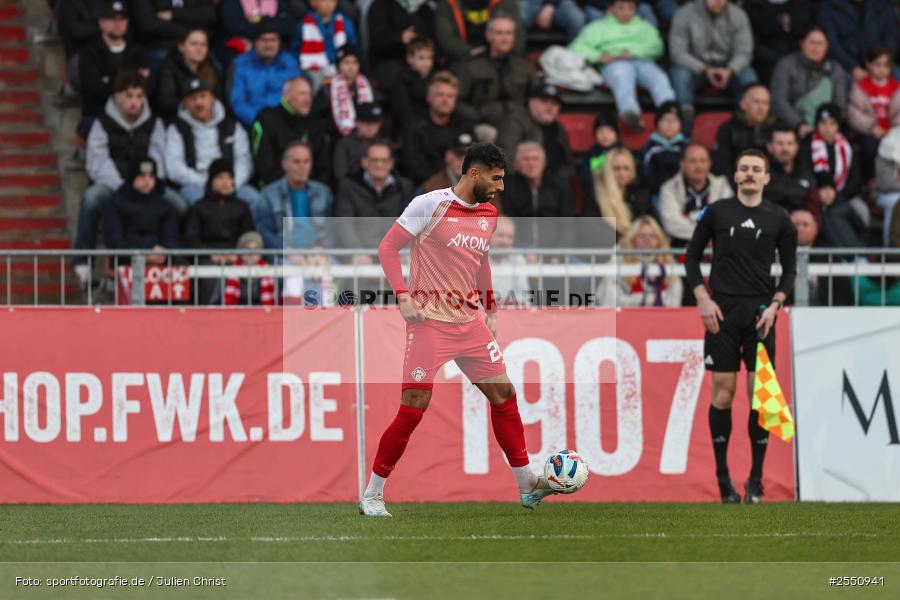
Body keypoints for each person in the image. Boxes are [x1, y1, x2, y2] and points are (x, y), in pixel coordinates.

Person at [360, 142, 557, 517]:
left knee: (504, 394)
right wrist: (402, 296)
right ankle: (372, 494)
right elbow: (387, 248)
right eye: (496, 178)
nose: (500, 186)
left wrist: (492, 308)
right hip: (429, 323)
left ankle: (527, 484)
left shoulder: (488, 213)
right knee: (413, 407)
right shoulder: (428, 205)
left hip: (470, 323)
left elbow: (479, 261)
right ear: (474, 174)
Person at [685, 149, 797, 504]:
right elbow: (690, 257)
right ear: (735, 175)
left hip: (761, 315)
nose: (750, 174)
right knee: (722, 393)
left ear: (767, 177)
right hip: (722, 312)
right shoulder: (717, 212)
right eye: (744, 168)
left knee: (759, 396)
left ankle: (755, 480)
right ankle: (722, 480)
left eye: (756, 170)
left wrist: (777, 304)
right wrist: (703, 297)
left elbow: (791, 270)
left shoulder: (780, 219)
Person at [75, 70, 170, 279]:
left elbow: (160, 159)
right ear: (117, 96)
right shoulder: (102, 123)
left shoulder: (154, 124)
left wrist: (149, 183)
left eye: (139, 96)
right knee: (91, 198)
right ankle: (83, 262)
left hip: (147, 185)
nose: (134, 102)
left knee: (178, 204)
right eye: (128, 95)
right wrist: (123, 188)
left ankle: (175, 262)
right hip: (113, 186)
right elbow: (97, 162)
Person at [568, 0, 674, 133]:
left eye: (630, 8)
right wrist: (598, 55)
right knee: (622, 75)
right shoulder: (598, 27)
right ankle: (631, 114)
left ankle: (669, 112)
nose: (626, 12)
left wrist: (633, 52)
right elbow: (576, 47)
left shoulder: (645, 27)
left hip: (641, 61)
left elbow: (657, 47)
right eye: (621, 8)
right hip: (614, 64)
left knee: (658, 77)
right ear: (611, 8)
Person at [165, 79, 258, 207]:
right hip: (196, 184)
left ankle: (258, 228)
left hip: (231, 182)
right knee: (201, 205)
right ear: (185, 103)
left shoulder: (232, 125)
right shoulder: (177, 128)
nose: (199, 103)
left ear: (212, 98)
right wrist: (205, 183)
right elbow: (174, 166)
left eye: (203, 96)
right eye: (193, 98)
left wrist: (231, 183)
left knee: (257, 201)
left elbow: (244, 160)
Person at [667, 0, 757, 129]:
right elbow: (678, 53)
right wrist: (704, 69)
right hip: (696, 68)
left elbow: (744, 52)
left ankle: (746, 128)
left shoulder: (739, 15)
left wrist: (731, 69)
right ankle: (685, 128)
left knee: (749, 78)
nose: (719, 1)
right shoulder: (684, 14)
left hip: (728, 68)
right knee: (679, 75)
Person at [183, 159, 256, 303]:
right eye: (220, 177)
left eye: (229, 178)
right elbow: (190, 239)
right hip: (207, 258)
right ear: (211, 180)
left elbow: (249, 236)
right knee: (209, 275)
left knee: (252, 275)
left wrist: (239, 255)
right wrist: (211, 255)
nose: (225, 182)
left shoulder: (242, 207)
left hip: (237, 257)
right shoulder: (199, 207)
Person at [453, 15, 538, 132]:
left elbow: (536, 97)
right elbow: (457, 101)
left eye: (509, 33)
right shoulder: (470, 66)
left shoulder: (525, 66)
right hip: (481, 126)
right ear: (488, 35)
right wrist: (477, 116)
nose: (505, 38)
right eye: (499, 33)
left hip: (519, 124)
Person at [799, 103, 867, 249]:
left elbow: (856, 179)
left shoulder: (847, 147)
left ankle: (862, 250)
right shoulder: (807, 145)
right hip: (814, 197)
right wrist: (819, 192)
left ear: (838, 126)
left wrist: (837, 195)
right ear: (816, 124)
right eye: (823, 123)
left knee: (862, 211)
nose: (827, 128)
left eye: (832, 123)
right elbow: (804, 172)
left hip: (844, 196)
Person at [77, 1, 150, 135]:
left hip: (135, 115)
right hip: (100, 114)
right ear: (101, 23)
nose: (118, 24)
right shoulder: (90, 53)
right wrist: (129, 84)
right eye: (112, 19)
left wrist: (110, 81)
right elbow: (93, 91)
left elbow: (147, 86)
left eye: (122, 19)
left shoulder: (138, 52)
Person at [335, 140, 416, 253]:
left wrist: (404, 252)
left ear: (391, 163)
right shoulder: (348, 186)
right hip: (360, 256)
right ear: (364, 162)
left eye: (384, 160)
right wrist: (357, 253)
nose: (379, 165)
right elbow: (345, 225)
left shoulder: (404, 187)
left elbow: (411, 225)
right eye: (374, 160)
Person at [251, 75, 333, 186]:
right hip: (275, 189)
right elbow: (263, 163)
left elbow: (324, 166)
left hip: (312, 191)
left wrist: (314, 189)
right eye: (302, 94)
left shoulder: (317, 123)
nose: (307, 99)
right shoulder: (267, 119)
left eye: (309, 94)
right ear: (287, 96)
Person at [255, 141, 334, 251]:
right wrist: (287, 251)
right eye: (296, 162)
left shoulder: (323, 192)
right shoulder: (268, 194)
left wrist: (320, 248)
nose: (302, 167)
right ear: (284, 164)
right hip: (283, 255)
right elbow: (264, 232)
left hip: (318, 253)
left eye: (306, 161)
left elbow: (332, 228)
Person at [770, 27, 848, 138]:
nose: (816, 48)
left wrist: (828, 126)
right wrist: (799, 124)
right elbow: (779, 101)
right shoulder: (786, 65)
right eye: (812, 42)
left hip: (827, 131)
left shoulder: (835, 69)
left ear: (827, 47)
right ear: (801, 43)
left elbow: (840, 106)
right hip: (793, 130)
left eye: (820, 43)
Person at [400, 71, 474, 186]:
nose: (445, 100)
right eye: (440, 95)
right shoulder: (414, 127)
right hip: (426, 187)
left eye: (450, 96)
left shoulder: (465, 124)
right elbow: (413, 167)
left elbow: (474, 160)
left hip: (460, 185)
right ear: (428, 97)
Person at [498, 141, 576, 248]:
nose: (531, 163)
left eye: (535, 159)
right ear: (516, 164)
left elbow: (568, 225)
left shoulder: (559, 186)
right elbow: (508, 223)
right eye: (526, 159)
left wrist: (558, 256)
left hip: (555, 249)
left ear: (544, 163)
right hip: (520, 250)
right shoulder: (507, 186)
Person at [497, 83, 575, 184]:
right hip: (520, 185)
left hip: (553, 186)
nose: (549, 107)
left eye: (554, 104)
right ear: (531, 102)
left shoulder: (559, 128)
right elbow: (506, 161)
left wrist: (558, 182)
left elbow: (569, 164)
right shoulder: (514, 122)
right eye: (544, 102)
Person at [103, 156, 179, 258]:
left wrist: (163, 254)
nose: (147, 181)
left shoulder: (166, 207)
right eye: (142, 176)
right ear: (132, 177)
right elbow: (114, 242)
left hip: (160, 266)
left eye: (151, 176)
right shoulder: (114, 204)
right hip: (126, 263)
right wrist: (144, 254)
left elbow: (170, 240)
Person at [228, 22, 303, 127]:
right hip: (253, 124)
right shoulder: (241, 65)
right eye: (263, 40)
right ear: (254, 42)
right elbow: (238, 103)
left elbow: (299, 96)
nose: (269, 44)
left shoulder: (290, 63)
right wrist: (260, 120)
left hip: (287, 124)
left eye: (273, 40)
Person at [598, 215, 682, 306]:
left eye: (652, 236)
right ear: (632, 239)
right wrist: (648, 299)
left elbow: (674, 303)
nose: (647, 240)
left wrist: (637, 300)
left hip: (659, 318)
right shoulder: (618, 263)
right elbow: (610, 301)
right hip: (626, 318)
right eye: (642, 236)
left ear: (659, 240)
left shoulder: (669, 264)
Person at [658, 143, 732, 245]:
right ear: (682, 165)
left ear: (709, 163)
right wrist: (708, 234)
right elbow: (672, 225)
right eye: (693, 161)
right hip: (679, 248)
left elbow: (726, 221)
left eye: (703, 161)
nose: (699, 166)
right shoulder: (669, 188)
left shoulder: (722, 186)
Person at [847, 44, 900, 183]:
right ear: (868, 64)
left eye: (886, 65)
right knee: (869, 147)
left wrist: (894, 129)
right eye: (878, 64)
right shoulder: (860, 86)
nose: (882, 69)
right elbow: (854, 114)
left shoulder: (897, 87)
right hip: (869, 132)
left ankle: (892, 182)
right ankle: (869, 182)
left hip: (893, 132)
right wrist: (872, 127)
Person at [816, 0, 898, 83]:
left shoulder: (883, 4)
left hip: (882, 63)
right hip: (845, 66)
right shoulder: (830, 6)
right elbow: (831, 44)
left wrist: (881, 63)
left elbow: (892, 36)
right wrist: (853, 68)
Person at [154, 28, 223, 124]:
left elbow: (219, 99)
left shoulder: (213, 67)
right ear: (181, 47)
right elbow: (166, 102)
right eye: (194, 44)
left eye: (203, 44)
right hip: (177, 122)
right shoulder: (169, 67)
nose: (199, 48)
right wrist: (193, 104)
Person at [366, 0, 435, 88]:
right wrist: (399, 37)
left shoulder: (424, 9)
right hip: (388, 61)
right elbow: (376, 42)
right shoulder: (381, 5)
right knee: (403, 78)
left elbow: (432, 39)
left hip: (420, 60)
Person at [585, 146, 651, 237]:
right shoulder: (594, 196)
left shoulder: (641, 194)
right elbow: (591, 231)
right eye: (616, 169)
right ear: (607, 170)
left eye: (626, 168)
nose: (622, 174)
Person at [311, 45, 375, 137]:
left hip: (364, 135)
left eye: (355, 62)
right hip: (336, 135)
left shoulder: (367, 85)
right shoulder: (329, 87)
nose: (351, 67)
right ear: (338, 65)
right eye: (346, 62)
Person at [743, 0, 812, 85]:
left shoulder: (802, 4)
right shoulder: (752, 5)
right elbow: (752, 44)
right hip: (765, 62)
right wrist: (780, 61)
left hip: (797, 58)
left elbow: (805, 35)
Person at [433, 0, 525, 63]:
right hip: (462, 59)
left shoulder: (505, 2)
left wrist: (502, 56)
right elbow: (446, 38)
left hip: (500, 59)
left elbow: (517, 35)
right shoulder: (448, 3)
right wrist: (468, 52)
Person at [712, 83, 773, 178]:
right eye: (757, 102)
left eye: (765, 103)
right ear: (743, 104)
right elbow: (720, 168)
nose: (761, 108)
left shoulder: (775, 129)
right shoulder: (728, 129)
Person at [131, 0, 216, 65]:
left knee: (215, 66)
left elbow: (210, 14)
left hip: (195, 42)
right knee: (163, 60)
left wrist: (174, 14)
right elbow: (147, 23)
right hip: (161, 44)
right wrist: (187, 31)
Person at [292, 0, 359, 81]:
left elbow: (354, 47)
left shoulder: (346, 22)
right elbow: (295, 50)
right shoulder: (303, 24)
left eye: (332, 1)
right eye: (323, 0)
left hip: (340, 72)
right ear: (312, 2)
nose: (328, 3)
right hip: (313, 72)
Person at [390, 36, 435, 136]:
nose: (426, 63)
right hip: (411, 129)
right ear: (410, 58)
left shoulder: (434, 77)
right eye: (421, 58)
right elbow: (403, 111)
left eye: (430, 58)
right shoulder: (401, 80)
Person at [639, 101, 687, 195]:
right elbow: (645, 174)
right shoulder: (649, 147)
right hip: (656, 192)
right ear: (657, 123)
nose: (670, 124)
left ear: (681, 124)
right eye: (665, 119)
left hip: (683, 192)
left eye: (674, 119)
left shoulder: (686, 147)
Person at [763, 124, 813, 213]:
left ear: (796, 147)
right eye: (780, 143)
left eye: (789, 143)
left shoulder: (806, 171)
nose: (785, 148)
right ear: (769, 147)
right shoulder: (761, 172)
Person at [333, 103, 385, 181]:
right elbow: (341, 175)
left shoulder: (384, 144)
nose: (371, 127)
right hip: (353, 189)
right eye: (366, 123)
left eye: (375, 123)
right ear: (356, 122)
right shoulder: (345, 143)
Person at [223, 231, 277, 306]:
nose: (251, 253)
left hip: (261, 314)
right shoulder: (230, 272)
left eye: (256, 249)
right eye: (247, 249)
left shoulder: (268, 272)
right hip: (236, 314)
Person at [578, 112, 623, 199]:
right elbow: (586, 179)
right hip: (596, 196)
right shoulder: (591, 154)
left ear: (616, 134)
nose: (605, 135)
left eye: (609, 130)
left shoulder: (623, 153)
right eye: (600, 130)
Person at [490, 215, 532, 306]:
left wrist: (513, 301)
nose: (505, 241)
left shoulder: (517, 258)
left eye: (510, 237)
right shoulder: (476, 257)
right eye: (501, 235)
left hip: (509, 313)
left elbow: (524, 295)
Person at [518, 0, 586, 43]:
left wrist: (550, 5)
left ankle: (572, 59)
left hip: (560, 2)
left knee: (576, 18)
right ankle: (517, 58)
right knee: (518, 16)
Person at [876, 126, 900, 246]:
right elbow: (885, 183)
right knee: (896, 202)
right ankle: (890, 252)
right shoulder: (889, 142)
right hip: (888, 193)